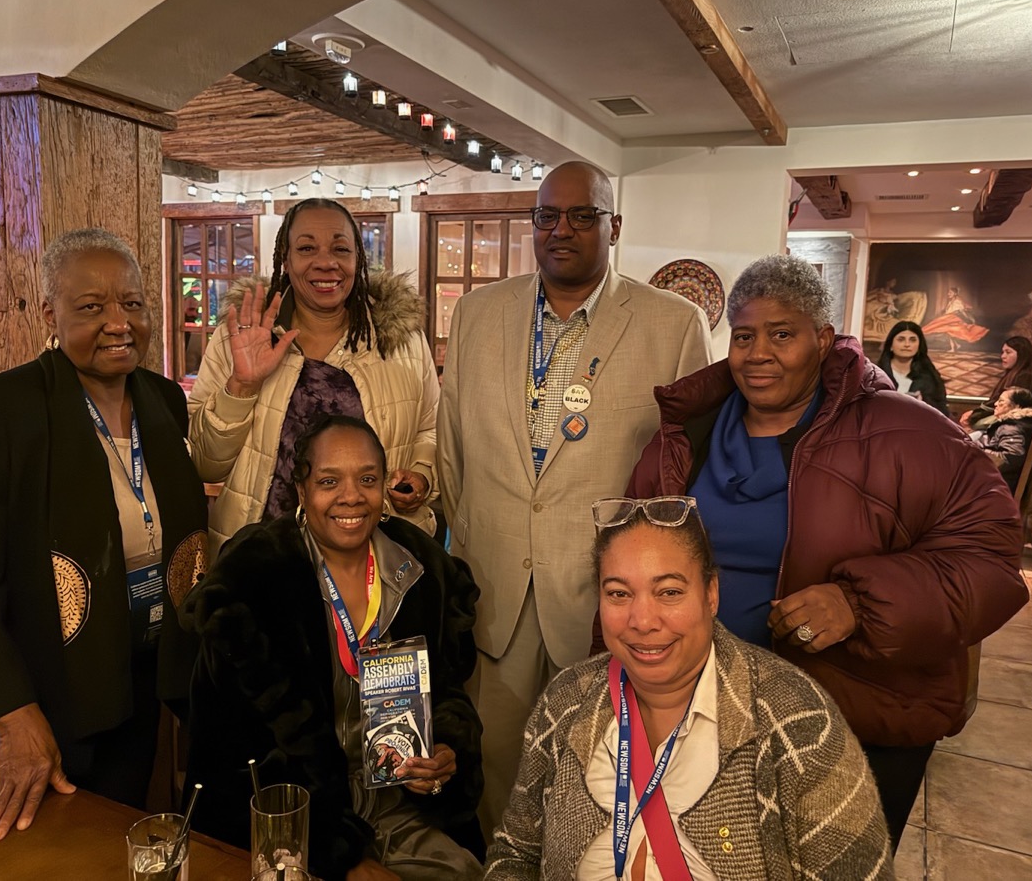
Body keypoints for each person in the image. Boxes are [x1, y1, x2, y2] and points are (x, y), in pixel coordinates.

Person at [619, 254, 1027, 847]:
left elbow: (991, 557)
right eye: (744, 336)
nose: (758, 353)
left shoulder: (909, 432)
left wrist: (860, 603)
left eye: (782, 334)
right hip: (700, 712)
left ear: (824, 339)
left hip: (853, 716)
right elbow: (632, 551)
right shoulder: (686, 434)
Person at [438, 161, 713, 833]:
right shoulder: (477, 313)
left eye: (583, 216)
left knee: (599, 777)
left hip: (607, 607)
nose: (562, 230)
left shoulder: (673, 325)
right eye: (547, 216)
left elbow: (692, 474)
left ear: (613, 227)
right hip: (496, 594)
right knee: (497, 768)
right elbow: (451, 452)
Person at [0, 229, 207, 841]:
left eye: (132, 303)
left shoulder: (161, 400)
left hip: (123, 697)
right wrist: (14, 716)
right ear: (51, 313)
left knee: (103, 854)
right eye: (92, 307)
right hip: (11, 715)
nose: (119, 322)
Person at [486, 497, 892, 879]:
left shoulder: (799, 724)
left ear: (711, 594)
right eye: (619, 593)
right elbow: (515, 853)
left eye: (670, 592)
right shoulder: (566, 701)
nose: (642, 620)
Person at [184, 415, 484, 881]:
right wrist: (340, 858)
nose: (351, 496)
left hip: (400, 805)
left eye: (367, 479)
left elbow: (447, 691)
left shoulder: (422, 569)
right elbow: (237, 757)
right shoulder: (254, 582)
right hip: (295, 817)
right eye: (329, 481)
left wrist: (446, 750)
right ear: (301, 491)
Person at [188, 198, 439, 555]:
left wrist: (421, 474)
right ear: (286, 260)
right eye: (307, 248)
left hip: (373, 558)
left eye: (341, 248)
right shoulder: (241, 335)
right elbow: (204, 463)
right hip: (260, 560)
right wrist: (242, 386)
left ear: (358, 259)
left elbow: (430, 428)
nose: (326, 262)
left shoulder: (401, 339)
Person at [960, 336, 1032, 430]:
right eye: (1003, 352)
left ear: (1021, 354)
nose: (1003, 356)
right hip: (1010, 420)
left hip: (1017, 423)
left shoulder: (1026, 376)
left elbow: (1010, 406)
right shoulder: (1015, 373)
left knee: (975, 424)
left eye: (1008, 352)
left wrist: (974, 414)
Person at [972, 387, 1032, 489]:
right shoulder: (1014, 424)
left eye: (1001, 401)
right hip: (990, 478)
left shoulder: (1012, 428)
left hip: (995, 484)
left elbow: (1009, 459)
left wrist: (974, 452)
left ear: (1017, 406)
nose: (995, 404)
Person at [876, 319, 949, 415]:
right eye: (901, 339)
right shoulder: (876, 376)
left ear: (919, 346)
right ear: (891, 346)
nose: (907, 344)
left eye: (912, 340)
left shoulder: (930, 378)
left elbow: (942, 413)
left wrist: (923, 404)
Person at [920, 285, 988, 352]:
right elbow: (948, 311)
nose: (948, 294)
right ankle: (955, 346)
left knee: (955, 331)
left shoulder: (957, 301)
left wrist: (970, 318)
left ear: (955, 293)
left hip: (953, 319)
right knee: (949, 331)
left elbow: (961, 311)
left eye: (950, 292)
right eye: (948, 292)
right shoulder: (950, 302)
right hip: (948, 318)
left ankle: (955, 345)